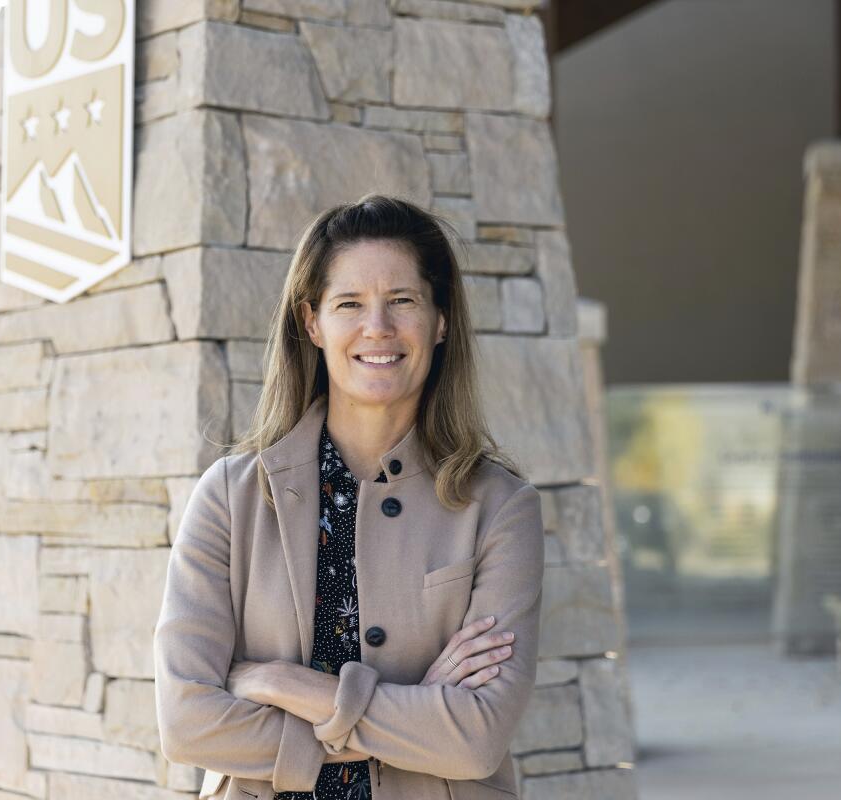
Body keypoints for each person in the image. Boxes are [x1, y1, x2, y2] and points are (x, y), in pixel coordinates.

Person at [153, 194, 546, 800]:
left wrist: (283, 683)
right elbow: (186, 724)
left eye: (403, 301)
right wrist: (415, 714)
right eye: (350, 304)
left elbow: (476, 738)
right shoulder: (230, 497)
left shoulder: (500, 506)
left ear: (441, 321)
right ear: (312, 323)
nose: (378, 328)